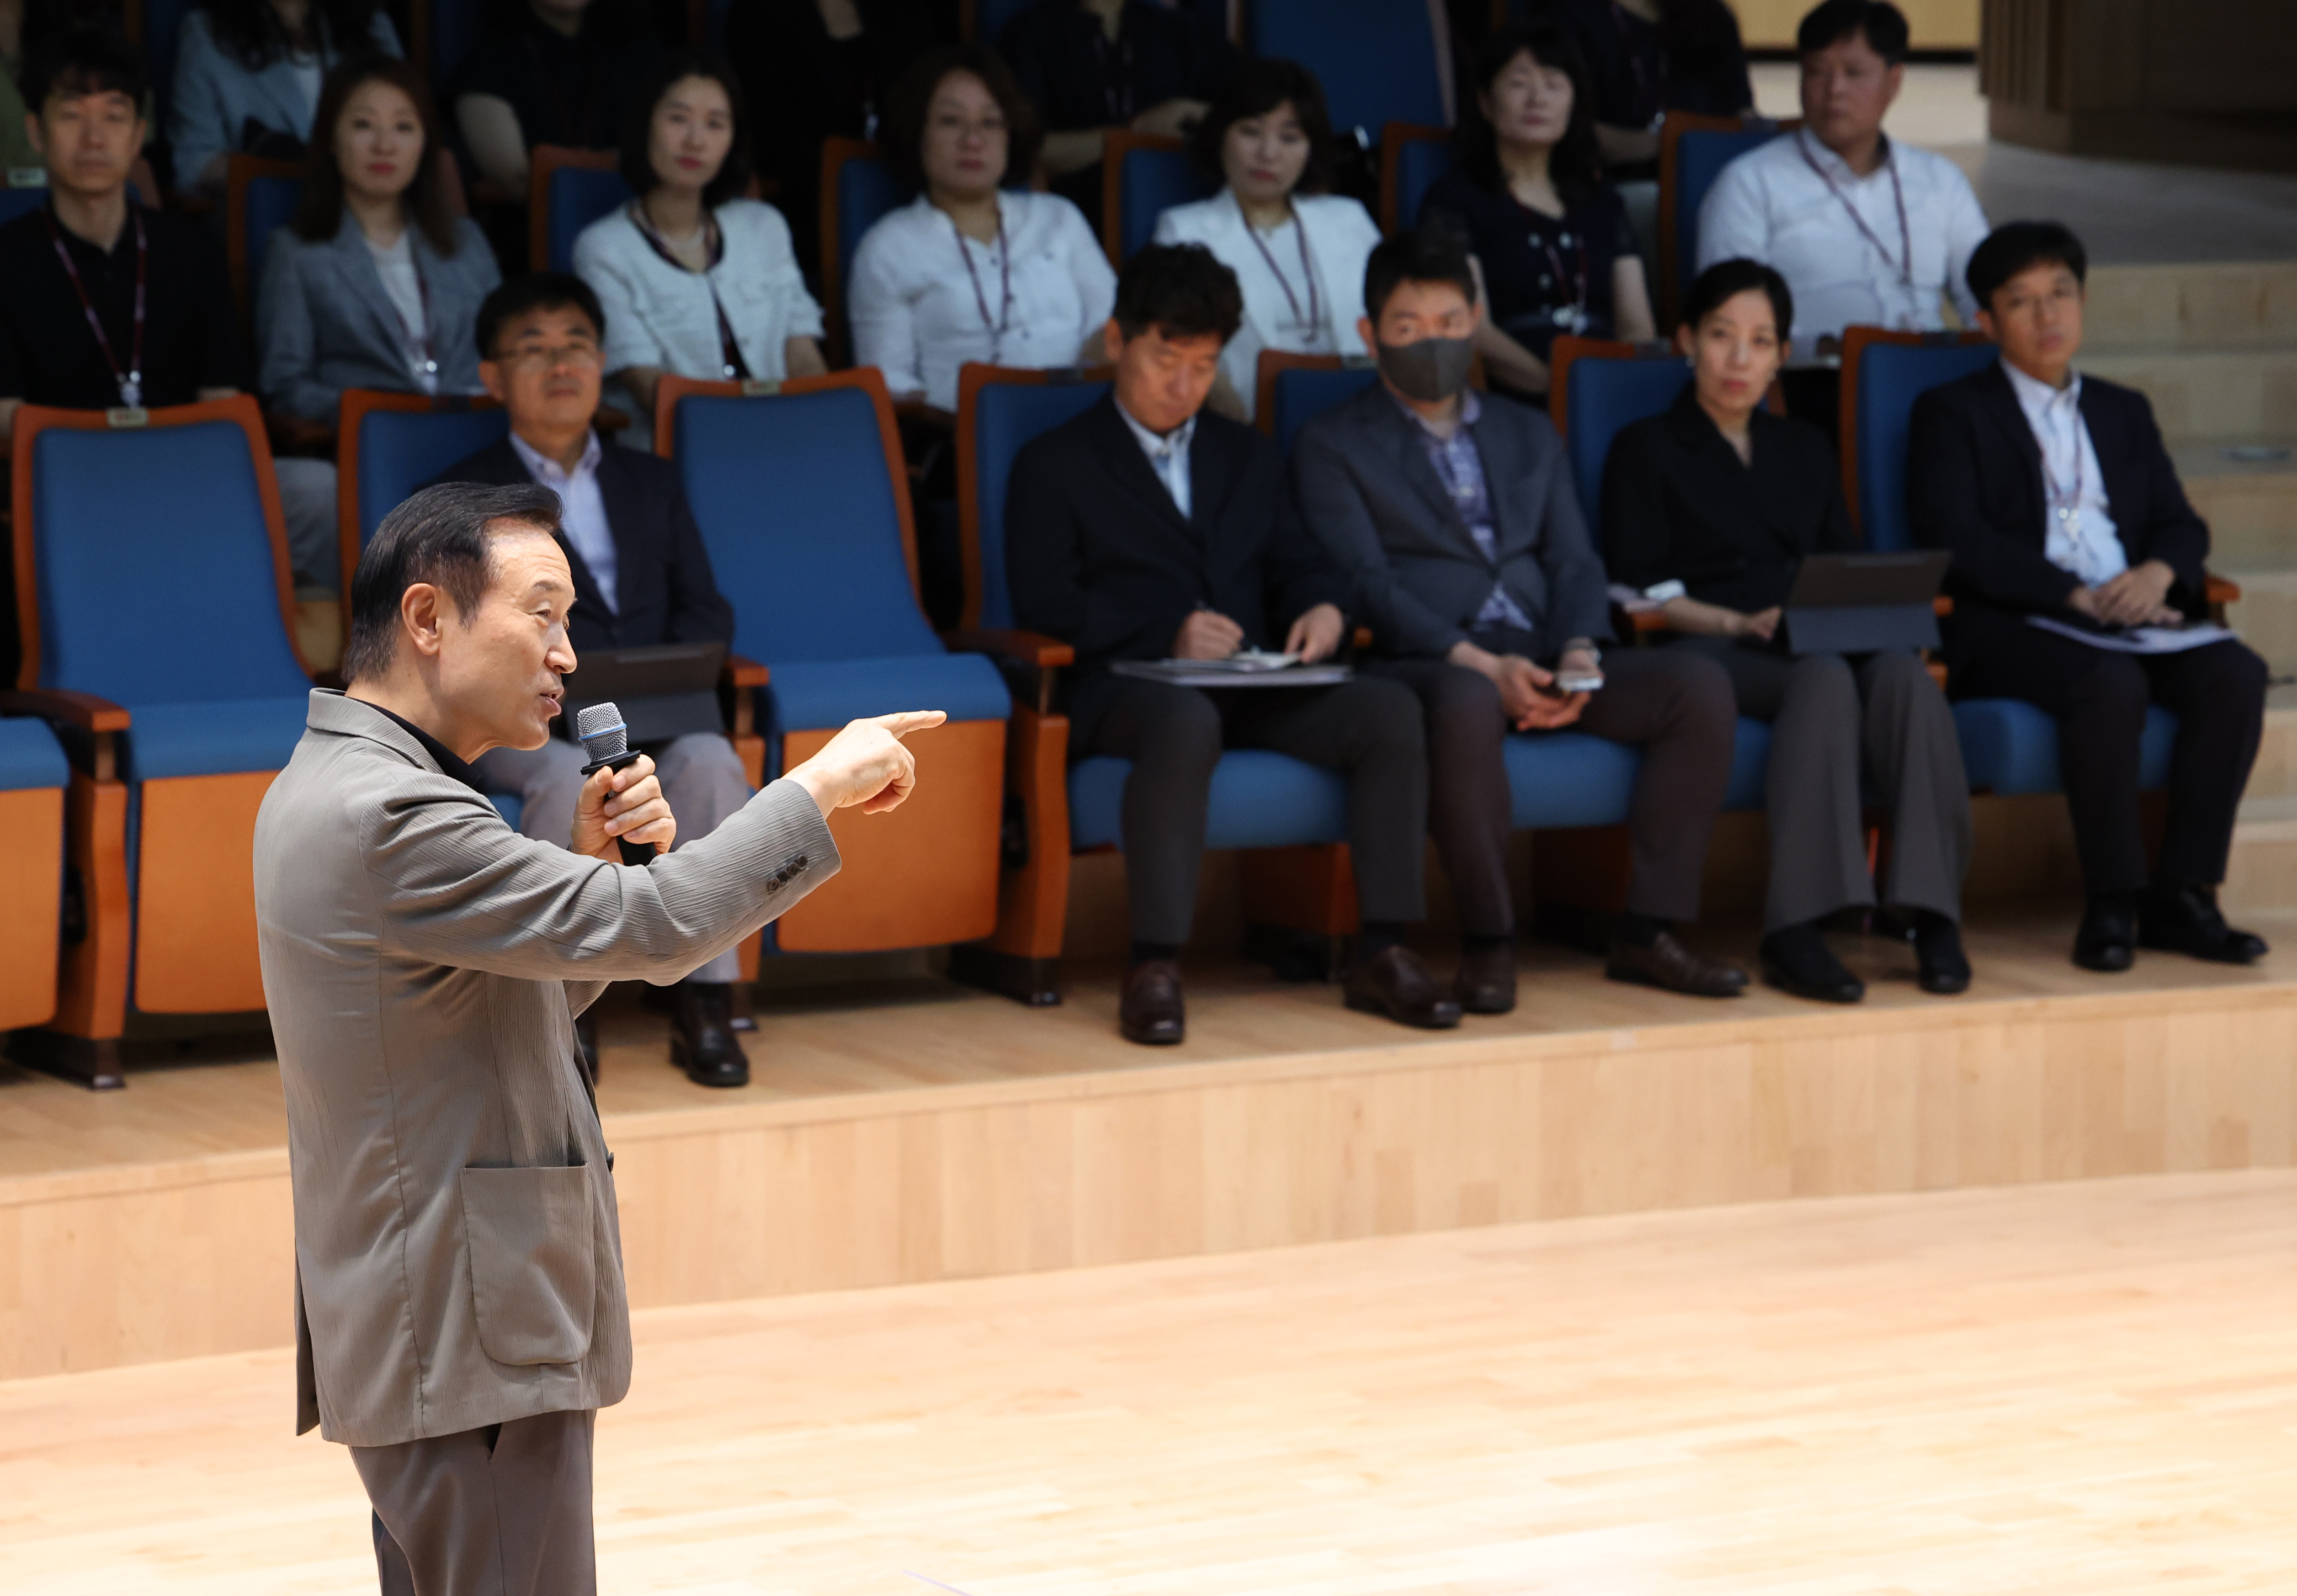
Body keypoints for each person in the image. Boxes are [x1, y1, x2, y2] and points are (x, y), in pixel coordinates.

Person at [254, 476, 936, 1595]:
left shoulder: (344, 778)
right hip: (466, 1328)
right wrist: (816, 784)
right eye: (543, 613)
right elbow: (662, 926)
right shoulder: (388, 814)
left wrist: (576, 867)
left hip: (445, 1317)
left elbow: (466, 1010)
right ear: (429, 619)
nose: (568, 653)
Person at [1008, 243, 1458, 1043]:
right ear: (1117, 342)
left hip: (1252, 682)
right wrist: (1166, 632)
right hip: (1126, 688)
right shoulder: (1054, 463)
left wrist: (1322, 606)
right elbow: (1048, 605)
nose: (1184, 386)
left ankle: (1383, 947)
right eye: (1165, 360)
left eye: (1205, 365)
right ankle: (1153, 963)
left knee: (1387, 709)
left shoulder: (1245, 454)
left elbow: (1299, 562)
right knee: (1186, 721)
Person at [1294, 225, 1746, 1005]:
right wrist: (1477, 662)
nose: (1430, 341)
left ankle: (1647, 930)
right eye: (1407, 328)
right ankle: (1489, 938)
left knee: (1695, 688)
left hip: (1541, 644)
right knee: (1468, 703)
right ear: (1370, 335)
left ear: (1475, 321)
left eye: (1447, 323)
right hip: (1434, 660)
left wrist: (1578, 653)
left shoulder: (1529, 432)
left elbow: (1574, 561)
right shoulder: (1332, 443)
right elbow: (1366, 581)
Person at [1602, 259, 1971, 1001]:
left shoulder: (1801, 447)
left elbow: (1846, 559)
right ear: (1687, 341)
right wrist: (1735, 618)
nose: (1741, 360)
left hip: (1811, 629)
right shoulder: (1645, 446)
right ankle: (1797, 925)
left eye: (1761, 342)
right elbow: (1637, 587)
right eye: (1721, 337)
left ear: (1780, 354)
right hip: (1713, 641)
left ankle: (1931, 910)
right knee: (1825, 678)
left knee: (1901, 675)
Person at [1909, 220, 2270, 974]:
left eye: (2061, 295)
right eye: (2022, 302)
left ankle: (2182, 894)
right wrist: (2072, 595)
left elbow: (2179, 524)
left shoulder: (2121, 410)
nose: (2047, 318)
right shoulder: (1953, 413)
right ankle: (2113, 899)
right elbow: (1957, 541)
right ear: (1985, 321)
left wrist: (2156, 577)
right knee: (2108, 683)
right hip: (2017, 621)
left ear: (2082, 301)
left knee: (2235, 673)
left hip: (2130, 614)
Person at [431, 273, 761, 1086]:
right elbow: (457, 642)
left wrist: (667, 673)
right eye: (533, 350)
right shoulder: (459, 498)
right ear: (493, 377)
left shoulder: (652, 481)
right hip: (528, 723)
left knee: (713, 763)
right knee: (552, 778)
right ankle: (557, 1012)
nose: (560, 365)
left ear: (603, 361)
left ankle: (708, 1001)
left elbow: (707, 610)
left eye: (575, 345)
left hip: (652, 705)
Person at [256, 57, 500, 593]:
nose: (384, 144)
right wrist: (370, 408)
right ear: (331, 142)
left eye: (404, 127)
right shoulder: (298, 252)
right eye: (364, 125)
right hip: (370, 445)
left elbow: (501, 354)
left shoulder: (468, 244)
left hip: (469, 440)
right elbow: (286, 383)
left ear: (425, 146)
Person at [572, 49, 826, 451]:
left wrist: (815, 428)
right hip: (675, 453)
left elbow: (803, 354)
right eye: (678, 119)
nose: (695, 140)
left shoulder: (764, 226)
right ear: (645, 126)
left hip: (784, 438)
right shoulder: (604, 248)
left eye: (715, 124)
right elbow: (647, 384)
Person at [1695, 0, 1988, 346]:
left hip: (1929, 374)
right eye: (1817, 72)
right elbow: (1729, 315)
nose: (1834, 90)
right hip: (1810, 379)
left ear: (1894, 82)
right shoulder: (1750, 183)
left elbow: (1986, 295)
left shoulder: (1940, 181)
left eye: (1853, 73)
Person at [847, 44, 1116, 415]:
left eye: (991, 122)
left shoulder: (1059, 218)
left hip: (1081, 425)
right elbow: (888, 385)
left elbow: (1111, 328)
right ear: (917, 132)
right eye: (951, 121)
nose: (973, 140)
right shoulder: (888, 247)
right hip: (962, 440)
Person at [1418, 23, 1655, 403]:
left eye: (1554, 84)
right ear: (1484, 102)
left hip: (1610, 392)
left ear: (1574, 103)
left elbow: (1637, 325)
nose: (1537, 99)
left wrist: (1616, 392)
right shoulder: (1455, 200)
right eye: (1518, 84)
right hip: (1513, 396)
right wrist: (1558, 387)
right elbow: (1472, 328)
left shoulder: (1601, 199)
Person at [1149, 57, 1380, 423]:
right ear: (1221, 134)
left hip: (1360, 416)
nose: (1268, 154)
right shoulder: (1183, 230)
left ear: (1311, 147)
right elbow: (1171, 343)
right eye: (1250, 132)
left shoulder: (1348, 219)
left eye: (1290, 138)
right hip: (1247, 420)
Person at [723, 0, 943, 293]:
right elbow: (776, 137)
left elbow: (927, 111)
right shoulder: (755, 17)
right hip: (808, 207)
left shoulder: (908, 10)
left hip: (914, 195)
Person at [995, 0, 1236, 216]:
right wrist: (1136, 130)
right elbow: (1023, 147)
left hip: (1182, 202)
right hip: (1073, 213)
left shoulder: (1183, 31)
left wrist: (1193, 112)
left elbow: (1252, 105)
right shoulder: (1030, 33)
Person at [166, 0, 400, 194]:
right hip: (271, 220)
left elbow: (407, 125)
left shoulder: (373, 26)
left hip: (374, 212)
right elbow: (194, 165)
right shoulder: (206, 35)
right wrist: (284, 167)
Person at [451, 0, 660, 195]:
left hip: (640, 213)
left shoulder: (641, 52)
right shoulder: (488, 63)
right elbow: (516, 177)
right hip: (535, 225)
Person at [1553, 0, 1754, 177]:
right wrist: (1667, 144)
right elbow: (1570, 132)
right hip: (1611, 186)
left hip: (1710, 179)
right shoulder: (1569, 13)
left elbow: (1743, 115)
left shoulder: (1712, 16)